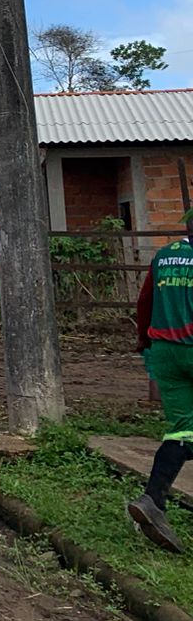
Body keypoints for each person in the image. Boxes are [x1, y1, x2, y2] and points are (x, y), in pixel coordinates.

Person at [129, 208, 193, 553]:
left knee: (184, 429)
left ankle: (153, 499)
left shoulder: (164, 256)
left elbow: (144, 302)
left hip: (165, 351)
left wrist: (144, 341)